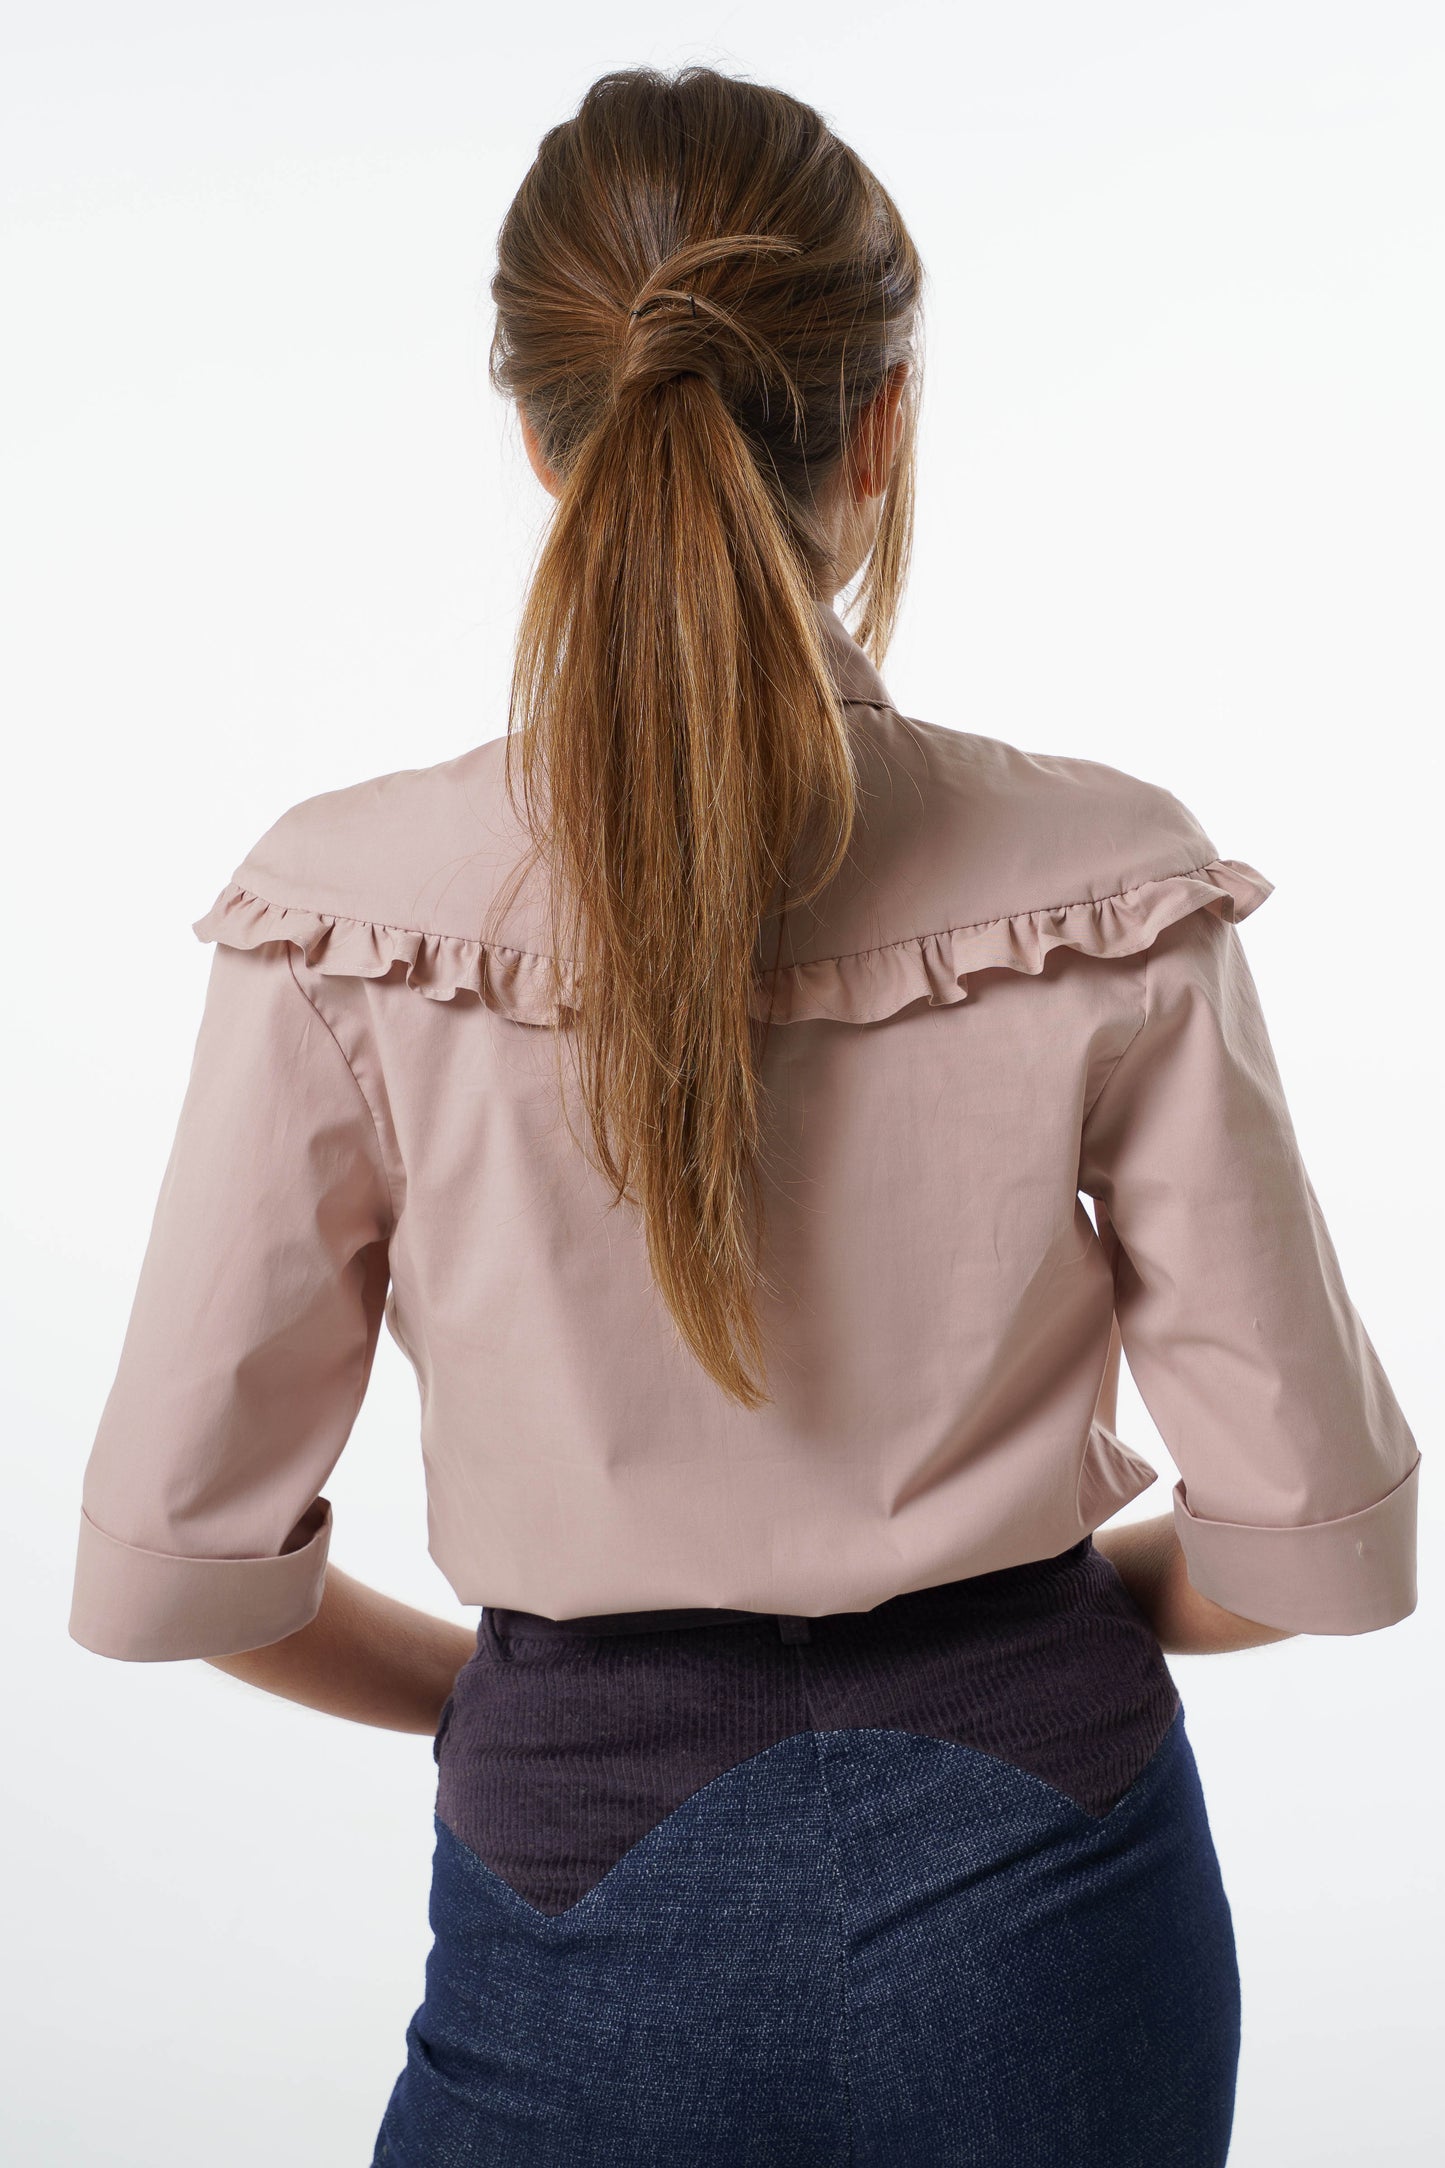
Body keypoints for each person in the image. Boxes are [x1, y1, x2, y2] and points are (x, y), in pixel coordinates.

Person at [68, 64, 1420, 2168]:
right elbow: (1312, 1545)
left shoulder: (347, 922)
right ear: (882, 426)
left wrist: (526, 1702)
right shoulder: (1106, 884)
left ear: (538, 432)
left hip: (568, 1859)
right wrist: (1052, 1620)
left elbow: (177, 1573)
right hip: (1052, 1871)